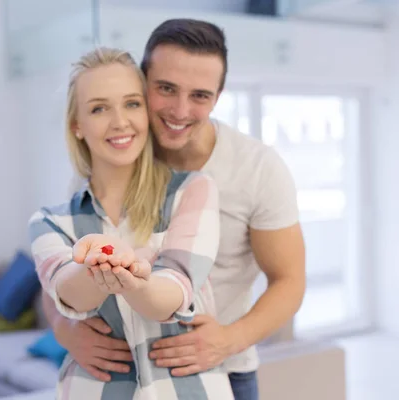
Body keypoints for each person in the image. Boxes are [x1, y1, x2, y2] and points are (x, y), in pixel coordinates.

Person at [45, 19, 306, 400]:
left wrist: (228, 341)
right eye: (166, 89)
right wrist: (64, 331)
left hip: (219, 370)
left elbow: (290, 281)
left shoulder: (257, 168)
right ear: (143, 80)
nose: (180, 110)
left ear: (218, 97)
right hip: (121, 377)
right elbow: (54, 266)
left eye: (200, 95)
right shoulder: (108, 159)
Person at [28, 47, 234, 399]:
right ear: (77, 125)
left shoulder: (193, 190)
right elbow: (67, 291)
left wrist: (130, 275)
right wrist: (102, 262)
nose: (120, 121)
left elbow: (174, 290)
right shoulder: (49, 221)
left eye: (132, 104)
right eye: (99, 108)